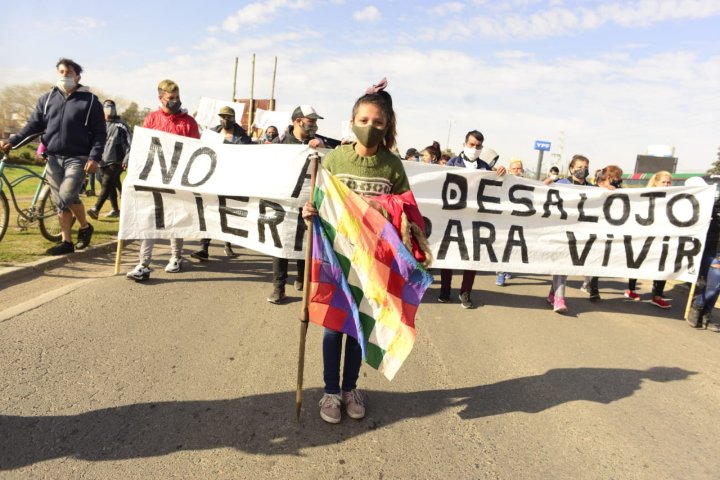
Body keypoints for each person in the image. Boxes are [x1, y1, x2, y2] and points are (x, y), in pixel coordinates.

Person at [301, 77, 411, 424]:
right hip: (335, 257)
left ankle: (350, 388)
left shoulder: (393, 166)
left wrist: (384, 207)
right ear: (351, 122)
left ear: (387, 126)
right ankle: (330, 392)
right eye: (363, 121)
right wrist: (309, 212)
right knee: (334, 325)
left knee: (357, 326)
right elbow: (318, 201)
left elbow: (407, 209)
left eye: (377, 123)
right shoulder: (334, 160)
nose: (369, 127)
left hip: (371, 263)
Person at [0, 58, 106, 255]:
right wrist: (12, 141)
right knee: (61, 200)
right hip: (53, 157)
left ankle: (84, 227)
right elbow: (33, 126)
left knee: (65, 196)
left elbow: (100, 133)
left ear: (78, 76)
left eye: (69, 72)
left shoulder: (91, 101)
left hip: (79, 157)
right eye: (61, 72)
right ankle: (67, 241)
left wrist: (95, 158)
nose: (64, 75)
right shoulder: (47, 99)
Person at [126, 79, 200, 281]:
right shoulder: (151, 119)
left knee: (176, 218)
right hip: (154, 177)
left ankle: (176, 257)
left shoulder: (189, 122)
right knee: (149, 217)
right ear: (161, 98)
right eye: (170, 98)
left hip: (178, 179)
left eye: (177, 97)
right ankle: (144, 263)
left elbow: (196, 151)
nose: (174, 101)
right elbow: (142, 147)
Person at [266, 105, 326, 304]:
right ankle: (279, 287)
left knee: (304, 243)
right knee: (281, 245)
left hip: (307, 204)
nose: (314, 125)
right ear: (298, 121)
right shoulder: (280, 143)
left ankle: (302, 278)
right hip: (283, 204)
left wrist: (322, 149)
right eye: (311, 120)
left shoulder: (317, 143)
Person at [440, 130, 505, 309]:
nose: (474, 148)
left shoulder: (485, 167)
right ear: (464, 144)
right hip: (452, 216)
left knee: (472, 257)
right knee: (448, 253)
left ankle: (465, 292)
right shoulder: (452, 163)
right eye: (471, 145)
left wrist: (500, 174)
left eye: (478, 146)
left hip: (475, 219)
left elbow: (495, 188)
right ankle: (445, 289)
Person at [190, 106, 252, 261]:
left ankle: (228, 245)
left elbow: (250, 157)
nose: (225, 119)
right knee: (209, 212)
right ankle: (204, 248)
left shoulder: (243, 137)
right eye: (222, 116)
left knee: (228, 214)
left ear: (234, 118)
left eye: (229, 117)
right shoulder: (212, 133)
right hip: (213, 179)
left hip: (232, 180)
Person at [547, 154, 593, 313]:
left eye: (586, 167)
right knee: (562, 264)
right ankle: (559, 300)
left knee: (567, 263)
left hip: (581, 233)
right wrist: (545, 184)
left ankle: (552, 294)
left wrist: (610, 191)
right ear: (571, 168)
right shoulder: (561, 184)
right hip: (561, 231)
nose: (583, 170)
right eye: (579, 167)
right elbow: (541, 192)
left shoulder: (592, 188)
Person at [624, 171, 672, 309]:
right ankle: (631, 290)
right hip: (645, 236)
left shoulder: (674, 198)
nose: (667, 184)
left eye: (669, 182)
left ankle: (657, 295)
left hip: (664, 237)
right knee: (638, 263)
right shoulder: (644, 196)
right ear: (656, 182)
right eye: (664, 182)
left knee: (662, 265)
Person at [579, 165, 623, 301]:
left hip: (605, 230)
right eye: (617, 177)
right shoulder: (592, 188)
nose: (619, 180)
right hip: (587, 228)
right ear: (610, 177)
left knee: (598, 258)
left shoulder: (619, 191)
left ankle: (594, 288)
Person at [686, 176, 720, 331]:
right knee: (714, 282)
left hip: (713, 249)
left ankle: (704, 312)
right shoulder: (685, 205)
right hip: (698, 249)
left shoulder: (714, 206)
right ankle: (698, 307)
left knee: (716, 283)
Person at [87, 100, 131, 220]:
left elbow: (130, 143)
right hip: (101, 161)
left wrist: (127, 159)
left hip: (117, 160)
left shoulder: (121, 125)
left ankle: (96, 209)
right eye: (106, 106)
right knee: (107, 184)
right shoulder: (99, 125)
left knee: (107, 182)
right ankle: (115, 210)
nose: (109, 109)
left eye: (111, 106)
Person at [496, 158, 524, 286]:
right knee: (504, 246)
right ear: (509, 169)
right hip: (504, 219)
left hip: (518, 219)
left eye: (519, 168)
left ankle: (505, 269)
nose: (517, 171)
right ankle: (500, 273)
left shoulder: (526, 183)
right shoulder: (504, 179)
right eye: (514, 168)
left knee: (513, 246)